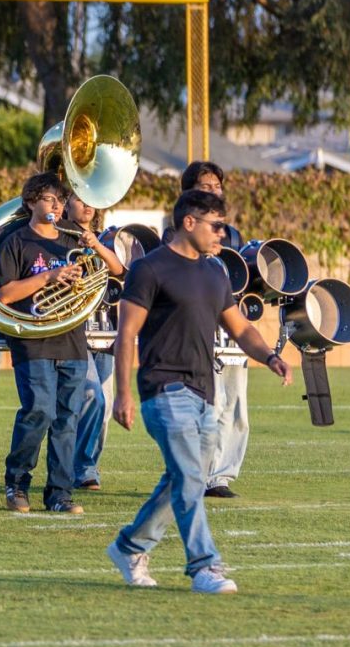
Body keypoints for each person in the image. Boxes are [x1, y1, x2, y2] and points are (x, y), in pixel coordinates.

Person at [107, 189, 291, 594]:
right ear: (188, 222)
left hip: (206, 393)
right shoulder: (149, 269)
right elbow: (127, 334)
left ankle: (129, 546)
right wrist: (123, 393)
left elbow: (240, 328)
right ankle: (205, 567)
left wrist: (269, 356)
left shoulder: (214, 272)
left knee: (183, 479)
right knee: (191, 476)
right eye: (216, 226)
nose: (222, 234)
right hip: (163, 389)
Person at [0, 174, 122, 515]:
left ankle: (59, 493)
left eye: (60, 200)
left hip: (71, 340)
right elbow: (4, 294)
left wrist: (94, 245)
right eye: (49, 199)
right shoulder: (15, 241)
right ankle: (17, 484)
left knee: (67, 419)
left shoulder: (71, 240)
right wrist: (49, 277)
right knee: (39, 411)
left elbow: (117, 269)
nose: (57, 206)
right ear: (31, 202)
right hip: (33, 340)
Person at [176, 162, 250, 499]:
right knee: (206, 404)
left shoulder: (232, 234)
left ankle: (220, 476)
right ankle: (196, 473)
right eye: (206, 185)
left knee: (234, 406)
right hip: (197, 328)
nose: (213, 190)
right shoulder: (180, 230)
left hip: (230, 327)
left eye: (217, 185)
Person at [70, 192, 117, 492]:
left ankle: (88, 466)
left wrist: (96, 244)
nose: (87, 204)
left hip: (106, 330)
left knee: (106, 405)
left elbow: (120, 270)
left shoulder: (107, 240)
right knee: (91, 397)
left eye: (91, 199)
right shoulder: (58, 238)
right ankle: (83, 468)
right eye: (79, 198)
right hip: (75, 332)